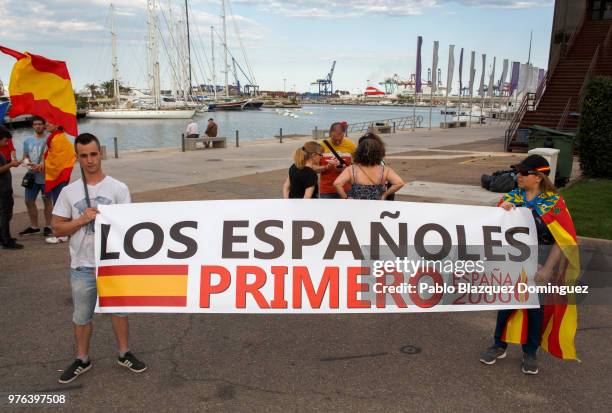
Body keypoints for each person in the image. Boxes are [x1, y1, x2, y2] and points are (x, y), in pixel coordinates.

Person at [52, 133, 146, 384]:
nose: (90, 160)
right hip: (82, 265)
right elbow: (57, 228)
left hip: (112, 264)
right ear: (77, 158)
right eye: (84, 156)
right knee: (81, 316)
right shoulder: (69, 192)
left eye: (94, 154)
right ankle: (82, 358)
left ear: (100, 154)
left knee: (119, 311)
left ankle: (124, 353)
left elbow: (131, 227)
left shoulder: (118, 188)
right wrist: (82, 219)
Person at [479, 154, 577, 375]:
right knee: (507, 303)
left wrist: (547, 269)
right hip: (513, 259)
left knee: (535, 307)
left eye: (524, 173)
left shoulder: (554, 202)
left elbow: (564, 239)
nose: (518, 176)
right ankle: (499, 344)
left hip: (542, 259)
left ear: (539, 177)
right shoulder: (513, 197)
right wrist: (500, 213)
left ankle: (530, 351)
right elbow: (494, 228)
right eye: (518, 172)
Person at [333, 133, 404, 200]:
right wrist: (385, 194)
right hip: (376, 205)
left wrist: (346, 198)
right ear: (379, 153)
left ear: (358, 152)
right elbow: (399, 183)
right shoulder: (385, 170)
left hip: (355, 206)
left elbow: (337, 184)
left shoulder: (351, 169)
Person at [19, 116, 53, 237]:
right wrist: (27, 163)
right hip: (32, 175)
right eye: (35, 124)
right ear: (32, 126)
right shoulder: (27, 140)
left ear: (44, 125)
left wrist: (44, 164)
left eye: (40, 124)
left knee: (47, 201)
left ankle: (48, 226)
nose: (38, 126)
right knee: (28, 201)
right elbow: (25, 156)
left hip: (46, 176)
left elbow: (55, 157)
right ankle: (34, 226)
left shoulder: (50, 139)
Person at [44, 121, 76, 244]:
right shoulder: (57, 137)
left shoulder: (58, 138)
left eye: (49, 123)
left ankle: (61, 235)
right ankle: (65, 232)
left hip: (58, 175)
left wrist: (46, 165)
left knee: (59, 205)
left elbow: (56, 160)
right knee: (60, 203)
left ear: (57, 125)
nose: (47, 124)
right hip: (61, 174)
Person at [319, 122, 356, 199]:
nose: (337, 142)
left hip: (345, 188)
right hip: (326, 190)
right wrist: (326, 167)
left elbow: (358, 167)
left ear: (344, 134)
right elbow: (313, 168)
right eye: (334, 139)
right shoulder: (321, 146)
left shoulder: (351, 145)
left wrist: (345, 169)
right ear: (330, 134)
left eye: (340, 139)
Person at [0, 126, 23, 249]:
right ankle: (6, 240)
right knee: (5, 214)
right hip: (2, 189)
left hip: (4, 187)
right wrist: (11, 164)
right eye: (4, 140)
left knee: (3, 213)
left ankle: (3, 237)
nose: (6, 143)